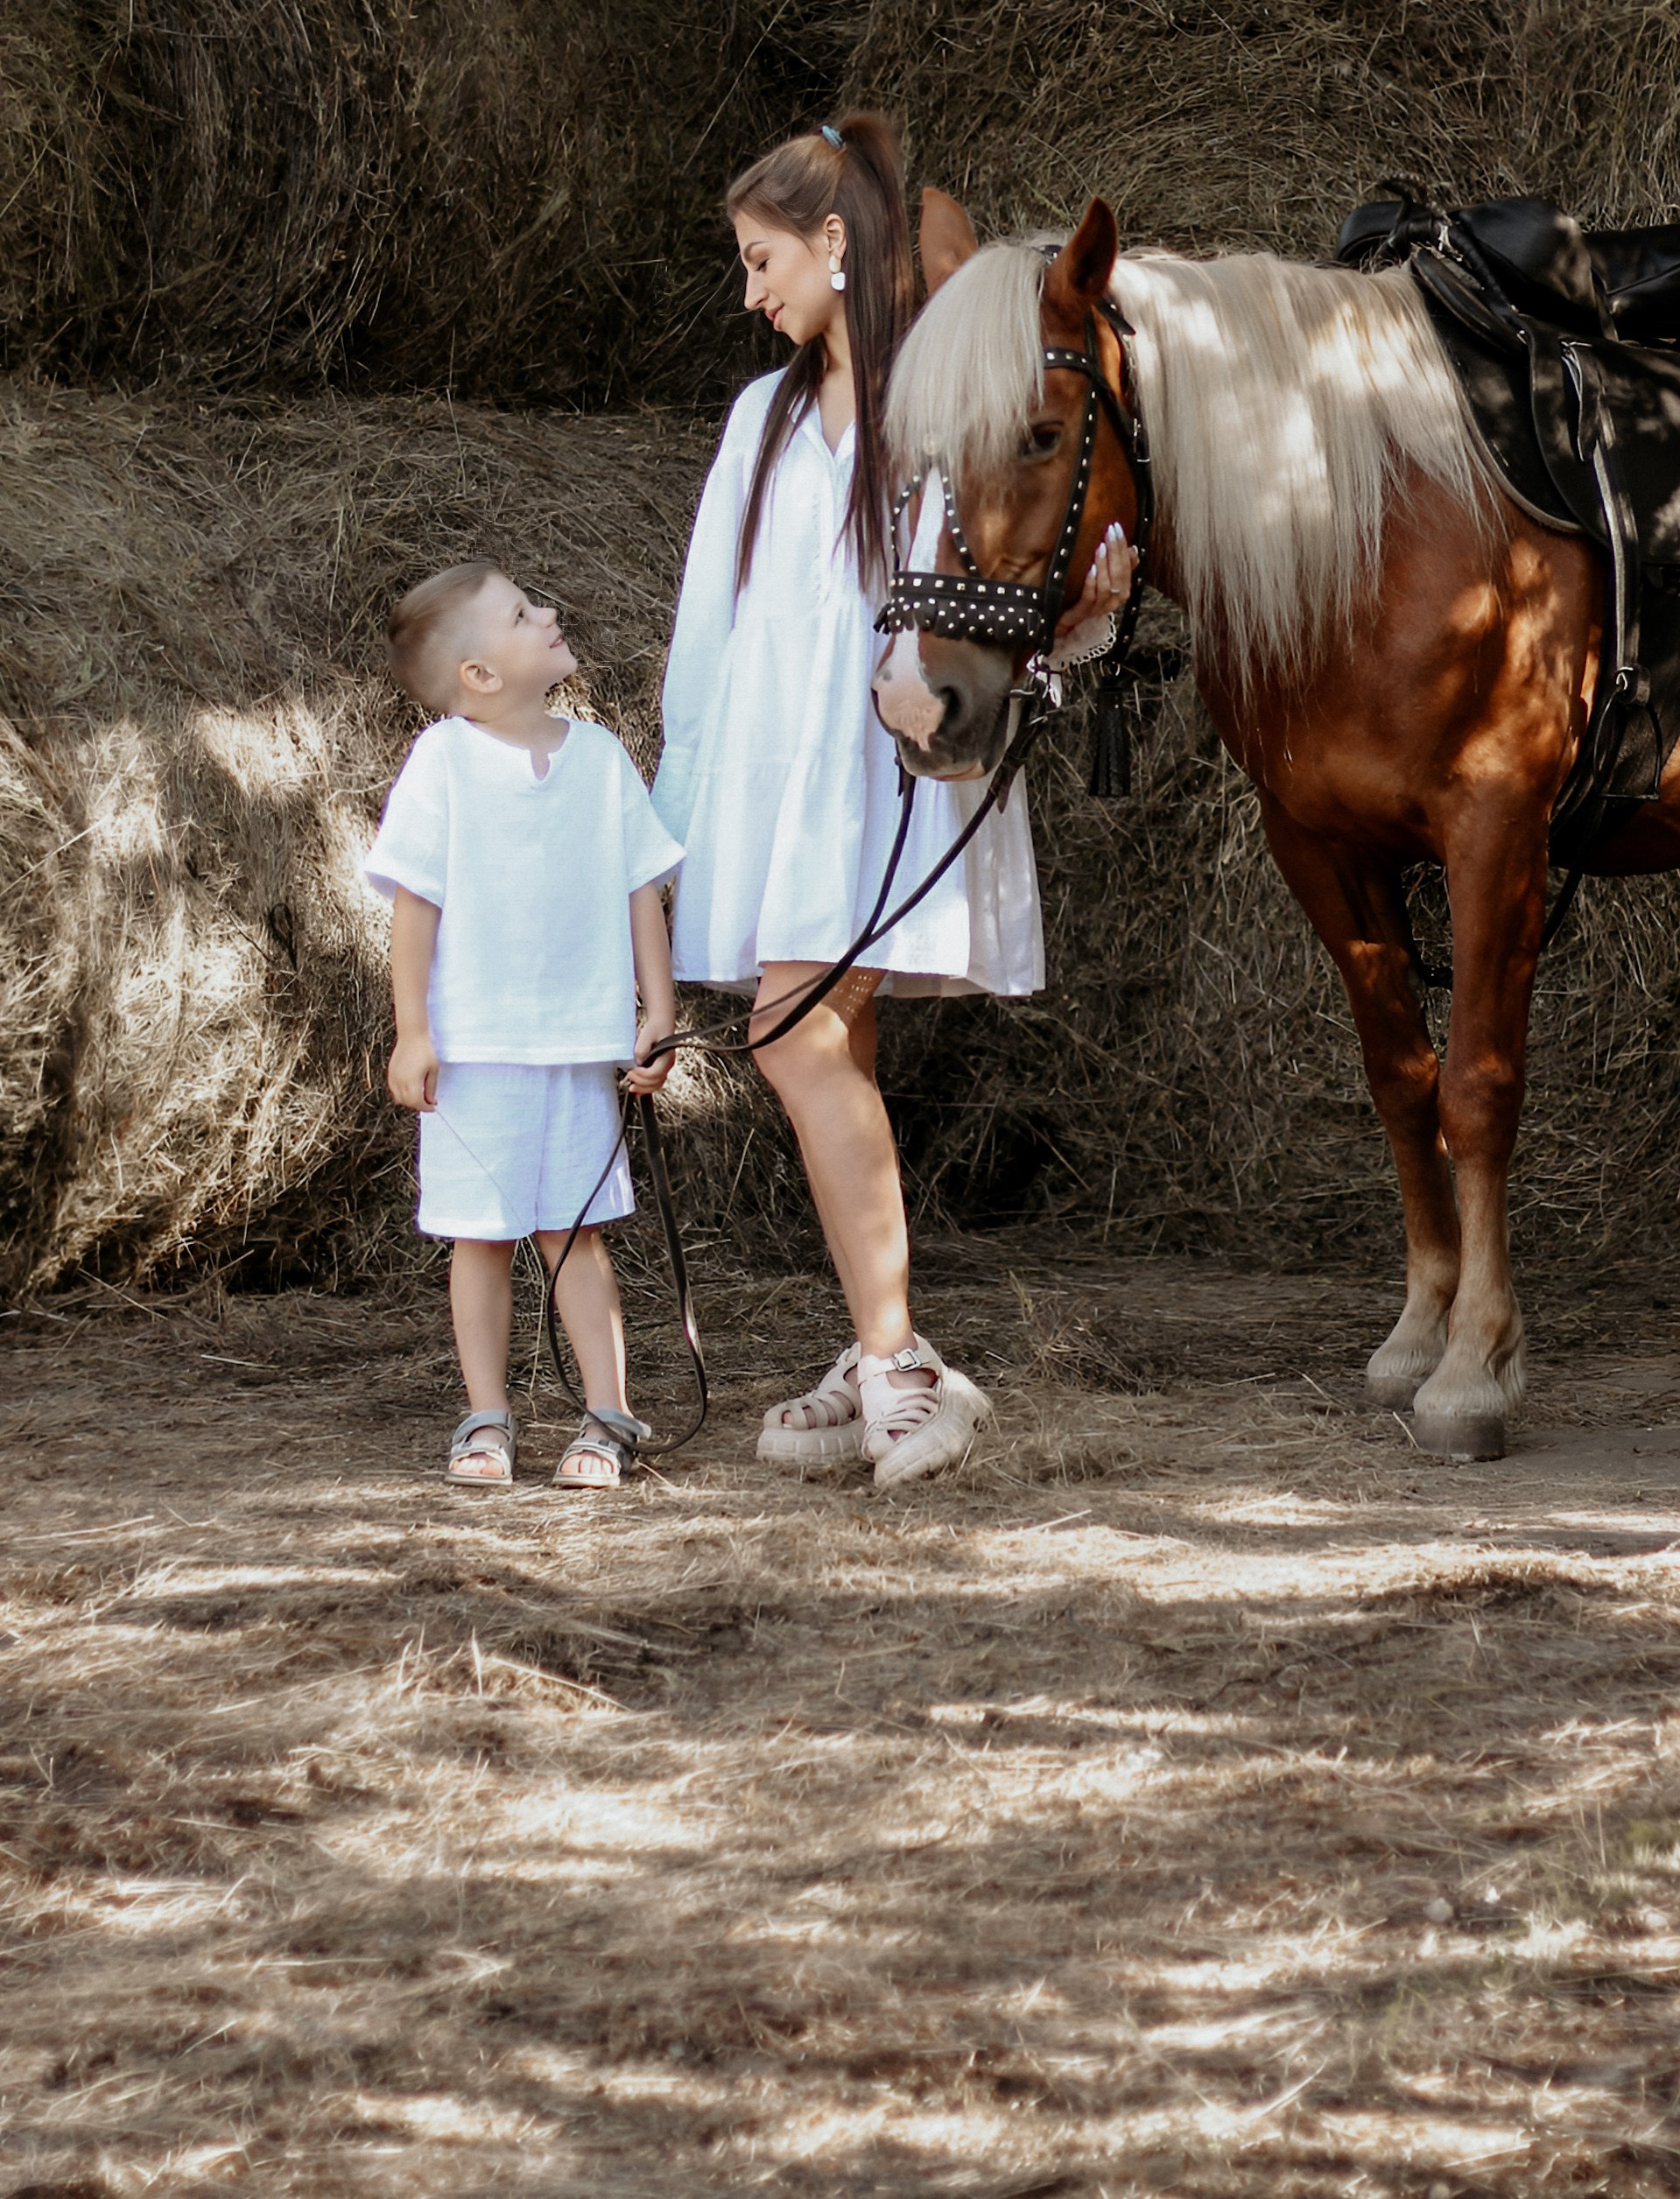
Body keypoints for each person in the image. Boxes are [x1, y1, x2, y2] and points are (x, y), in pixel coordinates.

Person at [654, 116, 1124, 1492]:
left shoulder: (940, 406)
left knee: (792, 1036)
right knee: (820, 1042)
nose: (750, 294)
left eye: (761, 259)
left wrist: (1078, 619)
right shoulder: (763, 418)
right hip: (777, 776)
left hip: (882, 773)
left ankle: (898, 1352)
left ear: (835, 242)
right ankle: (880, 1350)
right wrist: (685, 819)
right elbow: (706, 632)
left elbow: (998, 591)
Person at [369, 562, 684, 1490]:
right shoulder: (443, 766)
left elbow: (640, 891)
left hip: (576, 1046)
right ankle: (486, 1419)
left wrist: (657, 1010)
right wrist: (411, 1031)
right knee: (481, 1238)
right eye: (520, 612)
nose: (547, 613)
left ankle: (608, 1415)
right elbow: (413, 908)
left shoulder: (600, 758)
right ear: (479, 676)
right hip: (476, 1053)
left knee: (575, 1236)